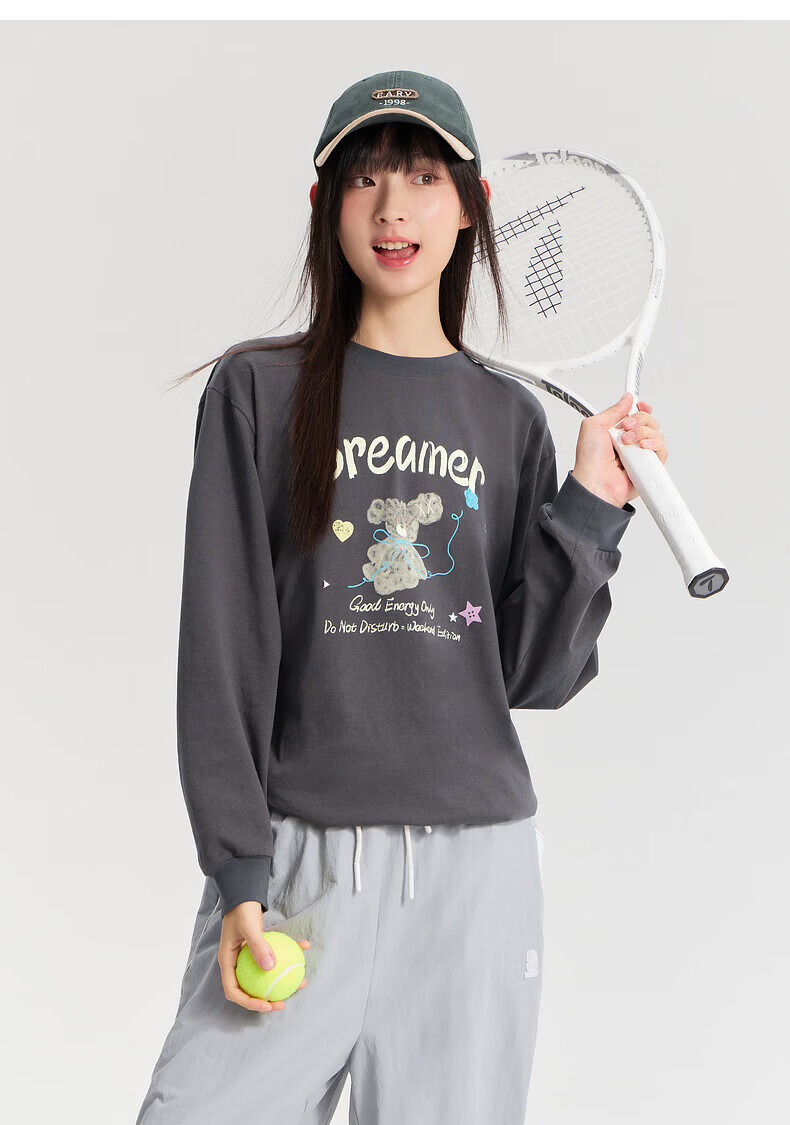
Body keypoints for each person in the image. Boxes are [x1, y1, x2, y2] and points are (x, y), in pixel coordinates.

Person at [134, 70, 668, 1124]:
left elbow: (532, 675)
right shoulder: (258, 392)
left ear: (470, 204)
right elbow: (225, 647)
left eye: (423, 177)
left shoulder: (507, 419)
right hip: (299, 873)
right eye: (364, 178)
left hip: (476, 878)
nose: (392, 209)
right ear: (323, 204)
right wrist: (240, 873)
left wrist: (592, 508)